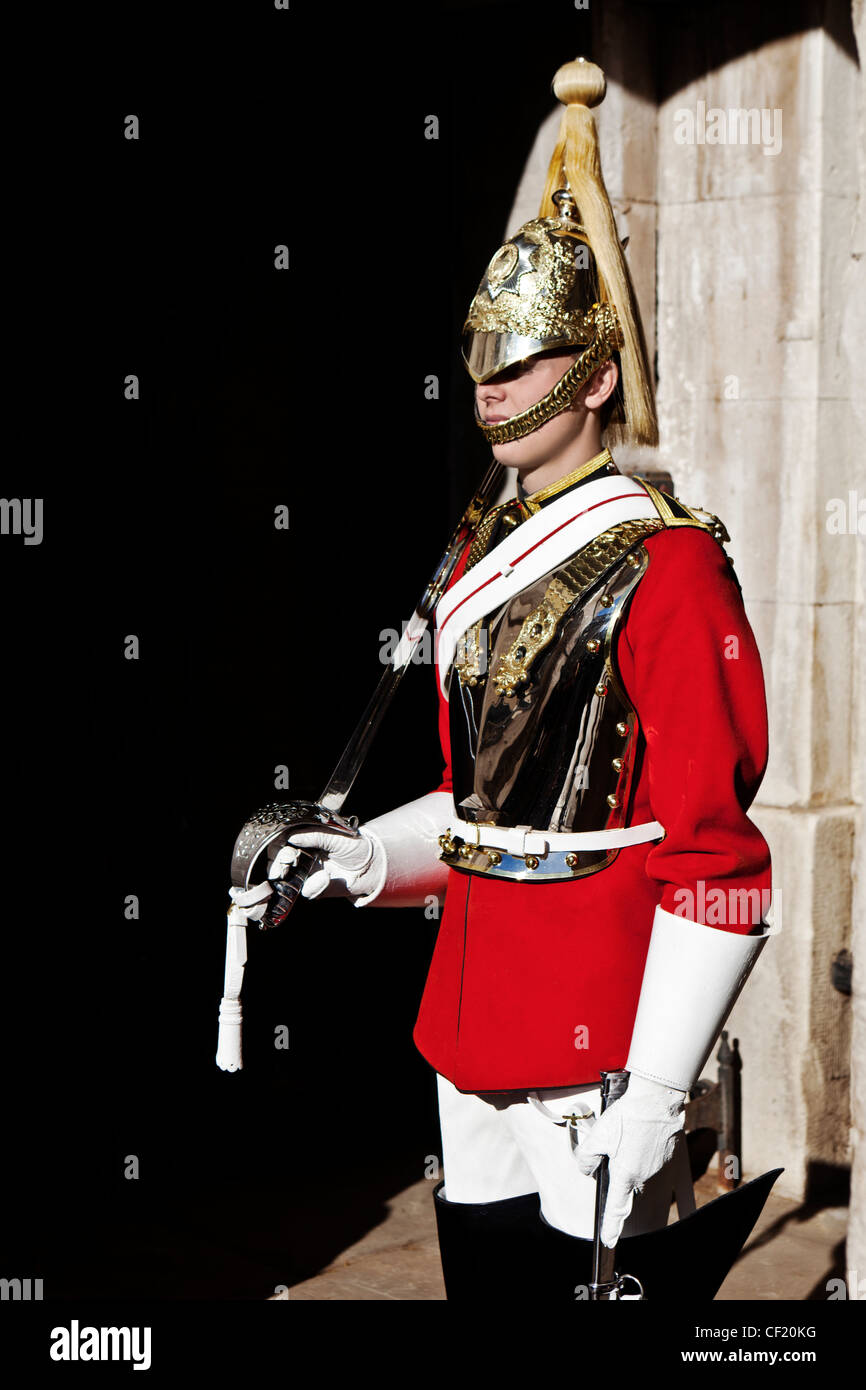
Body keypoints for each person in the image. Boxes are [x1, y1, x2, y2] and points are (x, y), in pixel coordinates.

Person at [266, 57, 774, 1300]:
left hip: (600, 1040)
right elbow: (481, 807)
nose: (489, 384)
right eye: (479, 358)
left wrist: (659, 1090)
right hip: (466, 1017)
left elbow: (715, 853)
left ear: (595, 374)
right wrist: (365, 860)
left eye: (523, 359)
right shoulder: (475, 552)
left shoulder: (667, 566)